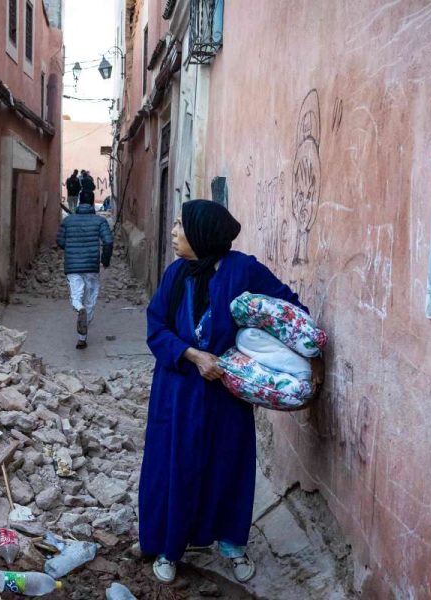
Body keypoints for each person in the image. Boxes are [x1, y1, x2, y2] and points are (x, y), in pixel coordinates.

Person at [138, 200, 323, 584]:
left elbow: (289, 309)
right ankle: (170, 547)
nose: (174, 234)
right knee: (177, 466)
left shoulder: (243, 270)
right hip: (179, 391)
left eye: (181, 227)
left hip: (227, 391)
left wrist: (302, 358)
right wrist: (192, 355)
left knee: (228, 465)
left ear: (203, 234)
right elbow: (156, 328)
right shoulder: (176, 275)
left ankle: (230, 544)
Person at [56, 190, 113, 349]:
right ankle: (82, 337)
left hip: (73, 266)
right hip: (91, 266)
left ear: (79, 201)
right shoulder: (100, 221)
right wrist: (105, 261)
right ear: (93, 201)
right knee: (90, 298)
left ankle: (78, 309)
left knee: (76, 296)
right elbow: (108, 242)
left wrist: (71, 249)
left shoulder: (68, 221)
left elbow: (60, 241)